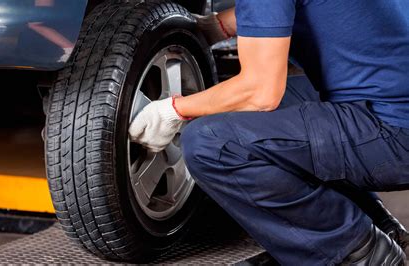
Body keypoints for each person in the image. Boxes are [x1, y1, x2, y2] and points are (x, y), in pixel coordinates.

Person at [129, 1, 409, 265]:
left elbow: (260, 93)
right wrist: (216, 26)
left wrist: (175, 110)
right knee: (244, 113)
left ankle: (353, 252)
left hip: (393, 133)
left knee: (211, 143)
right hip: (389, 103)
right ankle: (379, 224)